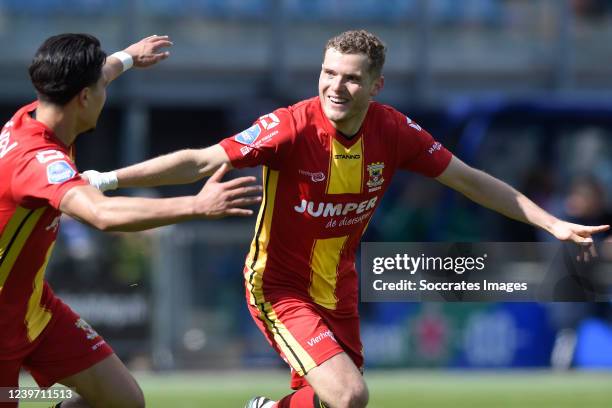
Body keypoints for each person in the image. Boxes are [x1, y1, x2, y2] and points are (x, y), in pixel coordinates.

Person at [85, 30, 609, 408]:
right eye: (328, 74)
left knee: (325, 402)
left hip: (339, 288)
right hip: (279, 287)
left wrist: (552, 224)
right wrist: (108, 179)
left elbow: (470, 179)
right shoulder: (288, 127)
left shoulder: (395, 131)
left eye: (352, 79)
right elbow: (201, 160)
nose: (336, 87)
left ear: (375, 87)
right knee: (349, 395)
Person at [0, 33, 261, 408]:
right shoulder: (39, 160)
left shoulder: (37, 113)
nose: (104, 94)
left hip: (33, 309)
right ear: (85, 99)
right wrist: (195, 205)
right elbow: (102, 214)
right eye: (98, 89)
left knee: (124, 401)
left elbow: (97, 75)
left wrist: (127, 58)